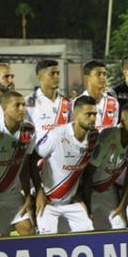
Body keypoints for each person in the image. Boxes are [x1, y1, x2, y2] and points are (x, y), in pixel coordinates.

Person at [33, 95, 98, 234]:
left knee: (90, 240)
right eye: (88, 114)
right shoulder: (57, 135)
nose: (93, 118)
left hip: (72, 202)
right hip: (48, 202)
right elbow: (33, 159)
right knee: (47, 246)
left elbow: (87, 173)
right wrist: (39, 191)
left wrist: (85, 201)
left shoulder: (94, 139)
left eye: (95, 114)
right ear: (75, 115)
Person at [0, 91, 36, 237]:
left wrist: (28, 195)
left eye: (23, 105)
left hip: (12, 195)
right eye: (17, 105)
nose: (22, 109)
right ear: (4, 109)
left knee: (29, 231)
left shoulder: (29, 130)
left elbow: (25, 164)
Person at [82, 103, 128, 230]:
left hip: (108, 190)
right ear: (123, 122)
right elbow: (88, 174)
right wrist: (87, 206)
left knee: (119, 225)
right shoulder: (108, 136)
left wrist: (121, 205)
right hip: (89, 189)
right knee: (88, 226)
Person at [25, 59, 72, 140]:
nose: (57, 77)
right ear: (40, 78)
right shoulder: (28, 102)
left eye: (58, 73)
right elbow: (25, 134)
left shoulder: (67, 102)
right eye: (52, 74)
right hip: (39, 151)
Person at [79, 60, 119, 132]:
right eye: (98, 74)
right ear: (87, 78)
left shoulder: (113, 103)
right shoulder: (77, 103)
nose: (102, 77)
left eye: (104, 74)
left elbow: (114, 130)